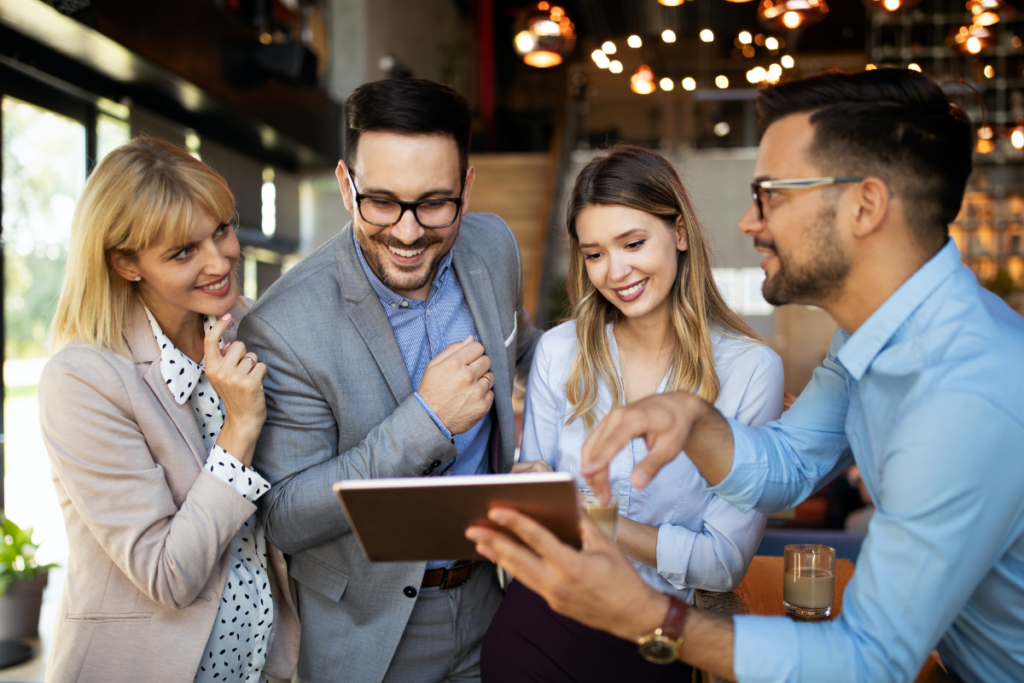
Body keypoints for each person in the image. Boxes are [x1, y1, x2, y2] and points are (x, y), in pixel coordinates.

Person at [466, 68, 1024, 683]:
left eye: (772, 194)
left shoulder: (968, 395)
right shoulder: (865, 338)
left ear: (865, 205)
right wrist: (693, 420)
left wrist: (651, 616)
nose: (747, 222)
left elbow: (867, 659)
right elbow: (785, 468)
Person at [236, 78, 542, 683]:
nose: (407, 233)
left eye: (434, 203)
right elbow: (286, 514)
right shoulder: (285, 323)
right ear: (345, 184)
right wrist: (424, 424)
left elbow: (530, 350)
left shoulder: (495, 245)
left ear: (467, 187)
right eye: (381, 202)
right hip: (367, 634)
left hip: (491, 598)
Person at [483, 145, 782, 682]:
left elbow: (722, 562)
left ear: (680, 233)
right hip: (539, 620)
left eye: (634, 242)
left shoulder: (749, 369)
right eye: (594, 253)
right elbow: (538, 505)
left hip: (657, 635)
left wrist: (589, 521)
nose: (615, 271)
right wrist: (527, 491)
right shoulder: (559, 350)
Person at [38, 138, 299, 682]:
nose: (220, 260)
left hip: (256, 667)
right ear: (126, 264)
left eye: (221, 230)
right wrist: (241, 428)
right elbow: (167, 574)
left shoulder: (254, 331)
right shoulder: (82, 380)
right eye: (183, 252)